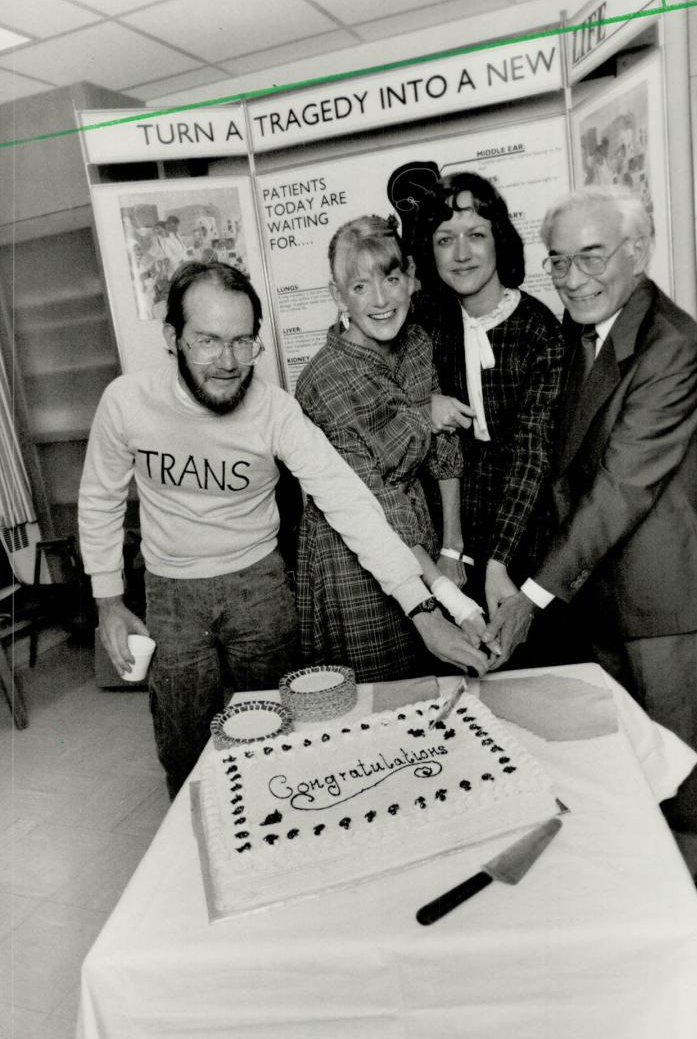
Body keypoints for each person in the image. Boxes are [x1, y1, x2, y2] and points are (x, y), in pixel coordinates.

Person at [78, 261, 488, 798]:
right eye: (207, 342)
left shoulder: (275, 410)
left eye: (242, 343)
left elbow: (350, 503)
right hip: (170, 592)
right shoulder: (126, 402)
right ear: (172, 338)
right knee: (182, 749)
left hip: (260, 588)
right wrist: (108, 599)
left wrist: (423, 611)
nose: (227, 363)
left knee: (281, 744)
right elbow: (101, 498)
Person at [485, 185, 697, 881]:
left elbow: (619, 489)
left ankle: (678, 899)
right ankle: (629, 881)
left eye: (591, 257)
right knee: (614, 754)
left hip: (659, 594)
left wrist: (530, 595)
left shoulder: (670, 346)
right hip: (593, 590)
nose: (572, 278)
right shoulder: (574, 333)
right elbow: (555, 465)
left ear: (638, 252)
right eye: (557, 262)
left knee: (671, 760)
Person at [295, 215, 493, 684]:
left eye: (390, 279)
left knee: (442, 690)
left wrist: (452, 548)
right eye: (360, 286)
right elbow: (377, 500)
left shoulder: (417, 343)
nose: (381, 301)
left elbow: (445, 450)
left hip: (422, 539)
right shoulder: (324, 382)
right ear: (337, 295)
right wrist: (446, 592)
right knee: (383, 700)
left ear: (410, 277)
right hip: (354, 554)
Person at [411, 172, 565, 626]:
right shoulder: (423, 322)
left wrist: (499, 562)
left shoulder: (540, 331)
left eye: (476, 235)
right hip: (444, 546)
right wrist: (423, 411)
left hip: (523, 539)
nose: (461, 254)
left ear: (500, 239)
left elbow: (532, 457)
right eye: (445, 239)